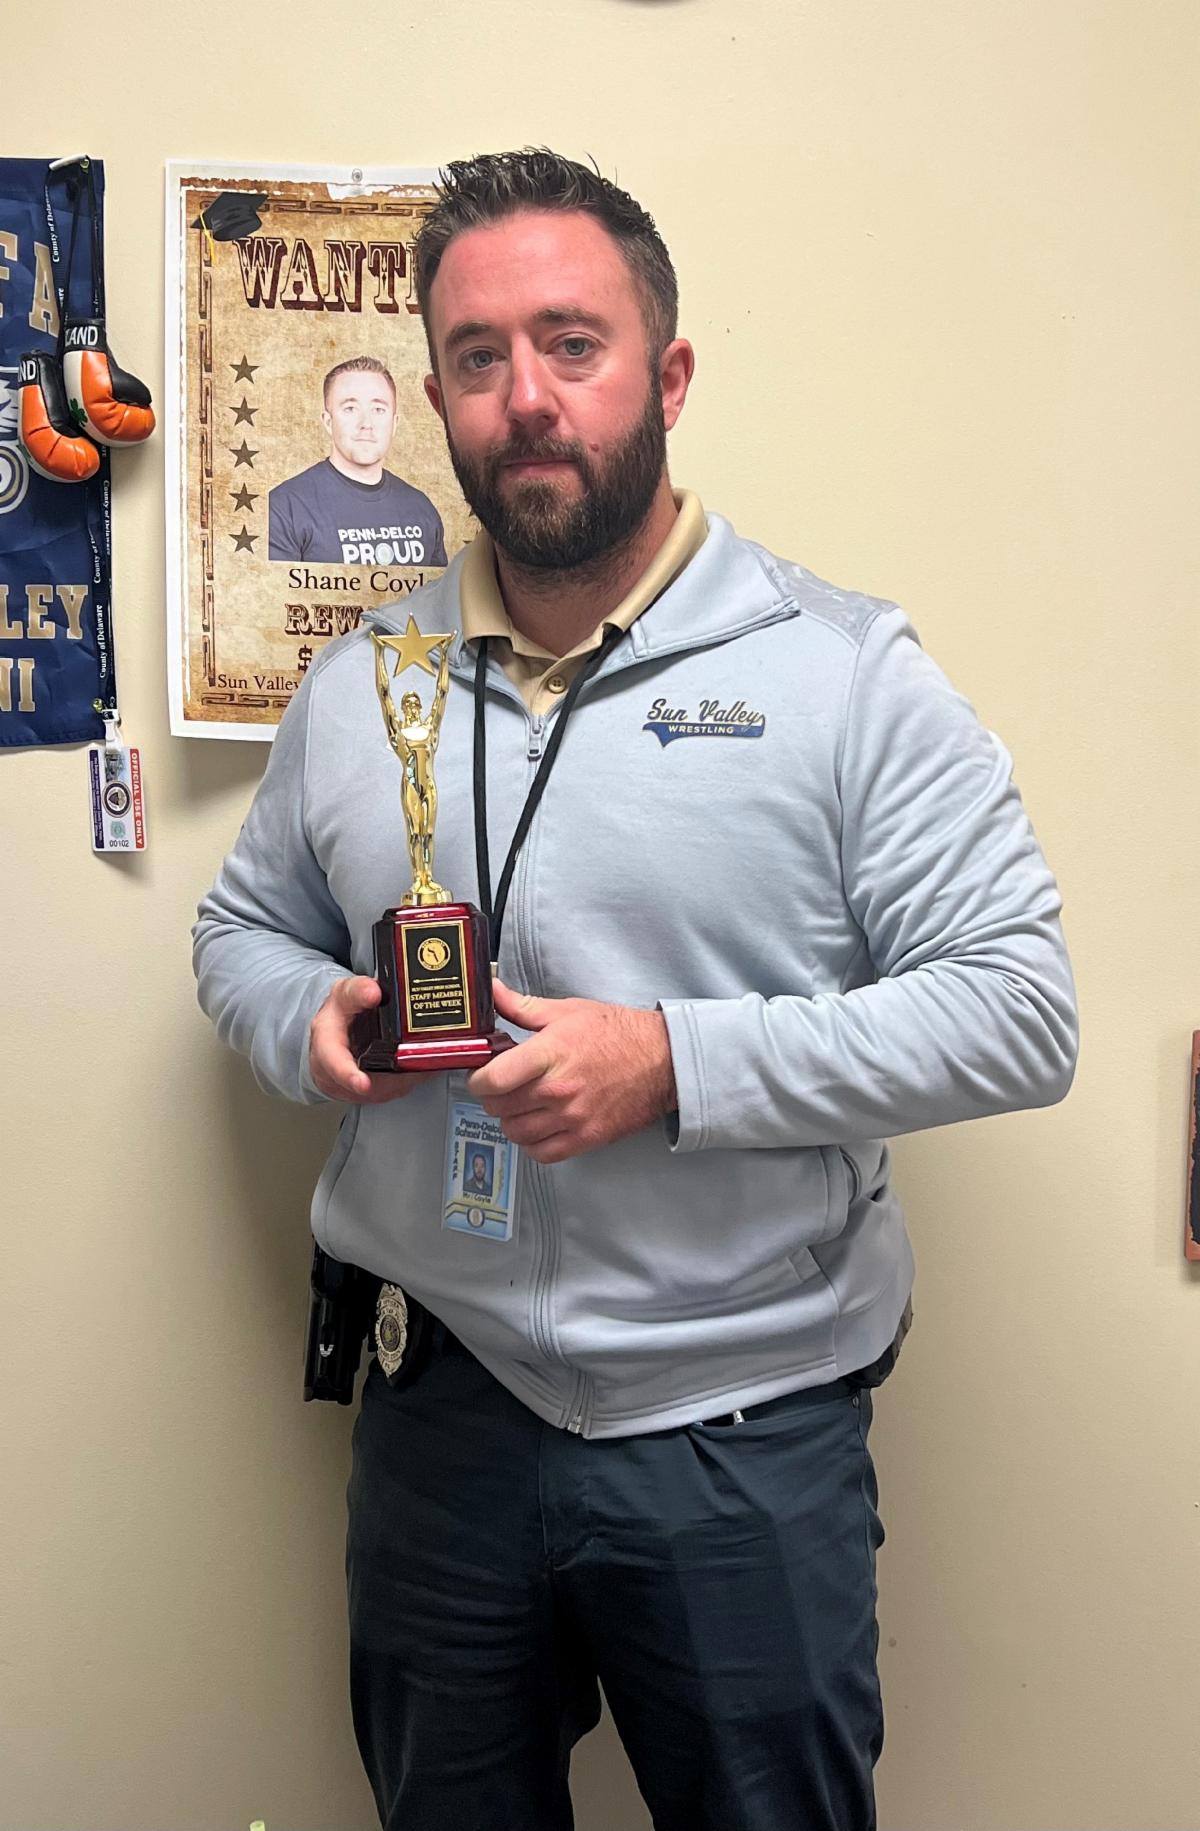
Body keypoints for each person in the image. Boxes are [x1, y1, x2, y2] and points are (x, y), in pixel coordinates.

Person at [193, 149, 1078, 1831]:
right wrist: (304, 1023)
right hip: (441, 1416)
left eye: (572, 344)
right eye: (477, 356)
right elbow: (240, 931)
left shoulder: (846, 677)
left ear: (666, 375)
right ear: (438, 401)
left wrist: (675, 1061)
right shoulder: (364, 682)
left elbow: (1019, 1010)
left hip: (738, 1432)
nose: (525, 396)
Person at [267, 354, 447, 566]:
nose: (366, 424)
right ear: (328, 422)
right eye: (350, 409)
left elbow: (440, 588)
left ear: (394, 423)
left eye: (378, 409)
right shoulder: (284, 508)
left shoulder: (421, 508)